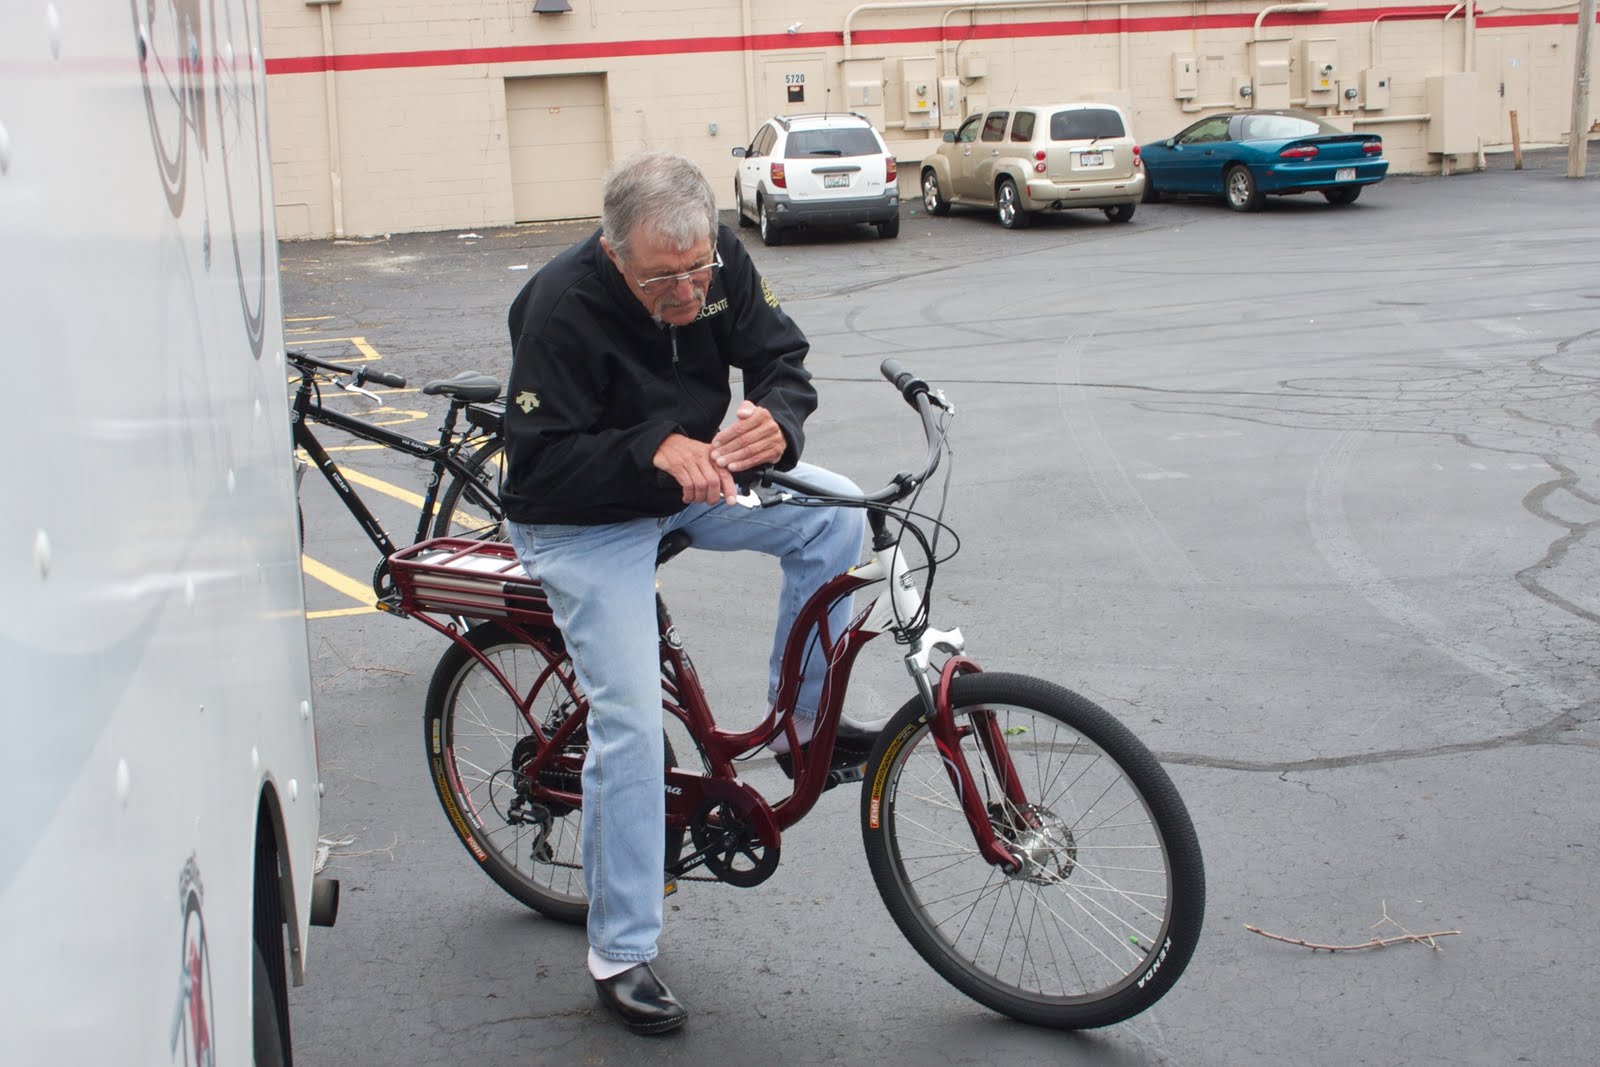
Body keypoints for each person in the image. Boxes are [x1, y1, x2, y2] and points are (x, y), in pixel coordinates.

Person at [500, 150, 871, 1035]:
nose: (686, 290)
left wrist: (776, 420)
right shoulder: (558, 305)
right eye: (661, 277)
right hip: (581, 519)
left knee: (840, 518)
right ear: (613, 250)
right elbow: (538, 466)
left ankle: (802, 727)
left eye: (697, 268)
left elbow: (783, 358)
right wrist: (653, 446)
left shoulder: (721, 261)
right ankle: (620, 950)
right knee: (628, 722)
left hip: (697, 479)